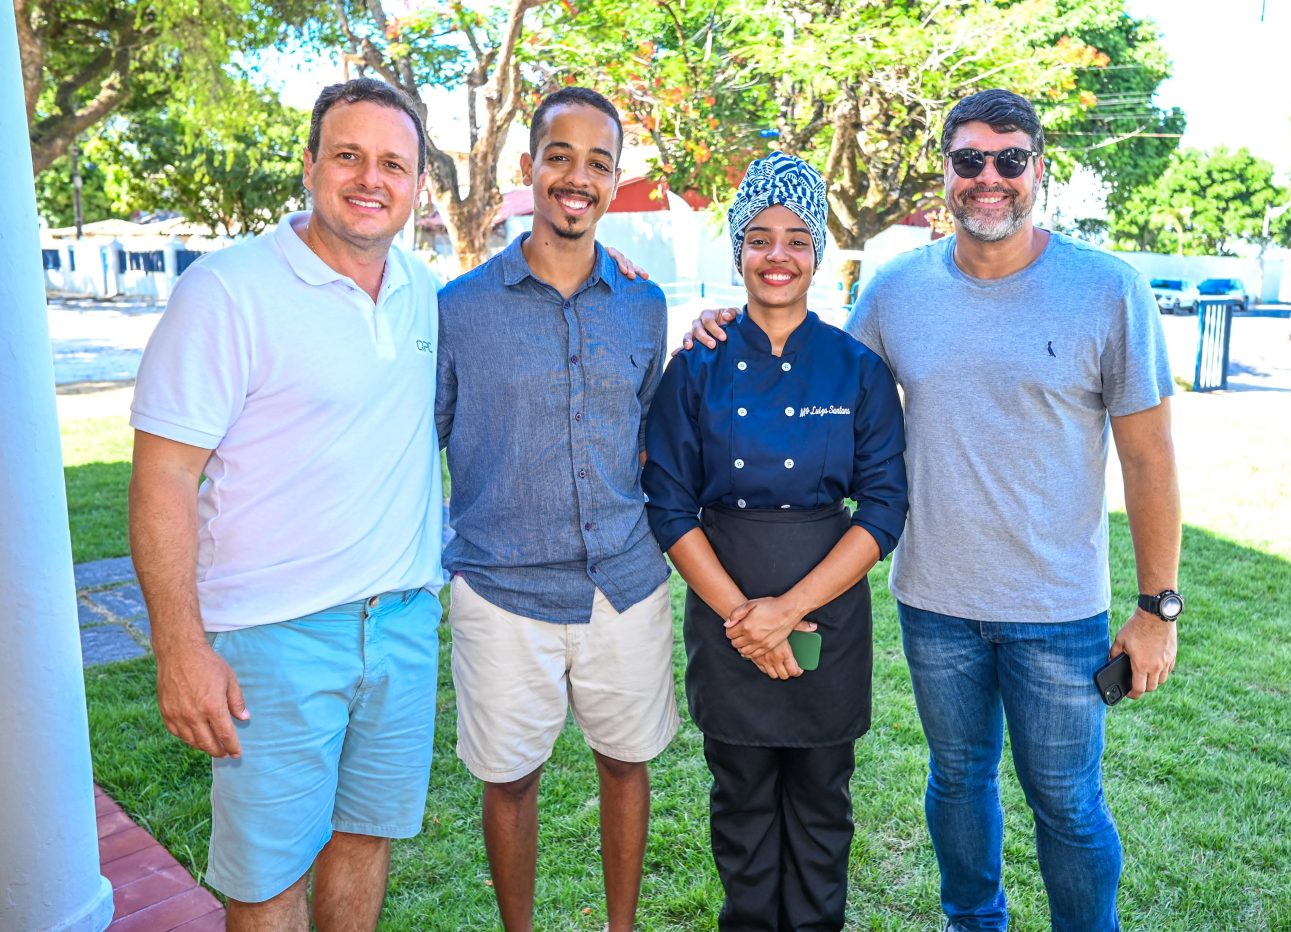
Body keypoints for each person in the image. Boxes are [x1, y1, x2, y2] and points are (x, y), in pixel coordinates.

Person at [686, 89, 1182, 931]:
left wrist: (1157, 607)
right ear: (945, 172)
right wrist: (730, 323)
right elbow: (819, 372)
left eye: (1010, 159)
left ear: (1038, 171)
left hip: (1058, 609)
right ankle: (972, 923)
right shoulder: (897, 290)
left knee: (1066, 804)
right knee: (957, 782)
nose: (989, 178)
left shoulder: (1107, 289)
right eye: (969, 160)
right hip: (935, 601)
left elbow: (1148, 457)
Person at [128, 78, 446, 929]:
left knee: (365, 842)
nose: (370, 178)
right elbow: (163, 476)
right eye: (348, 156)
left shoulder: (420, 289)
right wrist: (179, 646)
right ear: (309, 166)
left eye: (393, 163)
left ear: (418, 184)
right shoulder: (227, 291)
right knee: (267, 883)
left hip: (403, 625)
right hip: (275, 638)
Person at [643, 152, 908, 930]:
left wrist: (785, 611)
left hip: (827, 618)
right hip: (726, 616)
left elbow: (884, 508)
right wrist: (744, 621)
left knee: (824, 806)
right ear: (737, 252)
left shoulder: (857, 369)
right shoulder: (697, 364)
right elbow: (669, 505)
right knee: (742, 805)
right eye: (759, 238)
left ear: (818, 251)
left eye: (796, 239)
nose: (778, 256)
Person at [435, 87, 677, 932]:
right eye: (561, 157)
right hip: (501, 589)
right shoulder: (458, 310)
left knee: (625, 763)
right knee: (511, 778)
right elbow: (420, 441)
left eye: (599, 162)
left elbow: (652, 432)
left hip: (625, 580)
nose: (579, 177)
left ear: (614, 181)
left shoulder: (646, 306)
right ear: (529, 168)